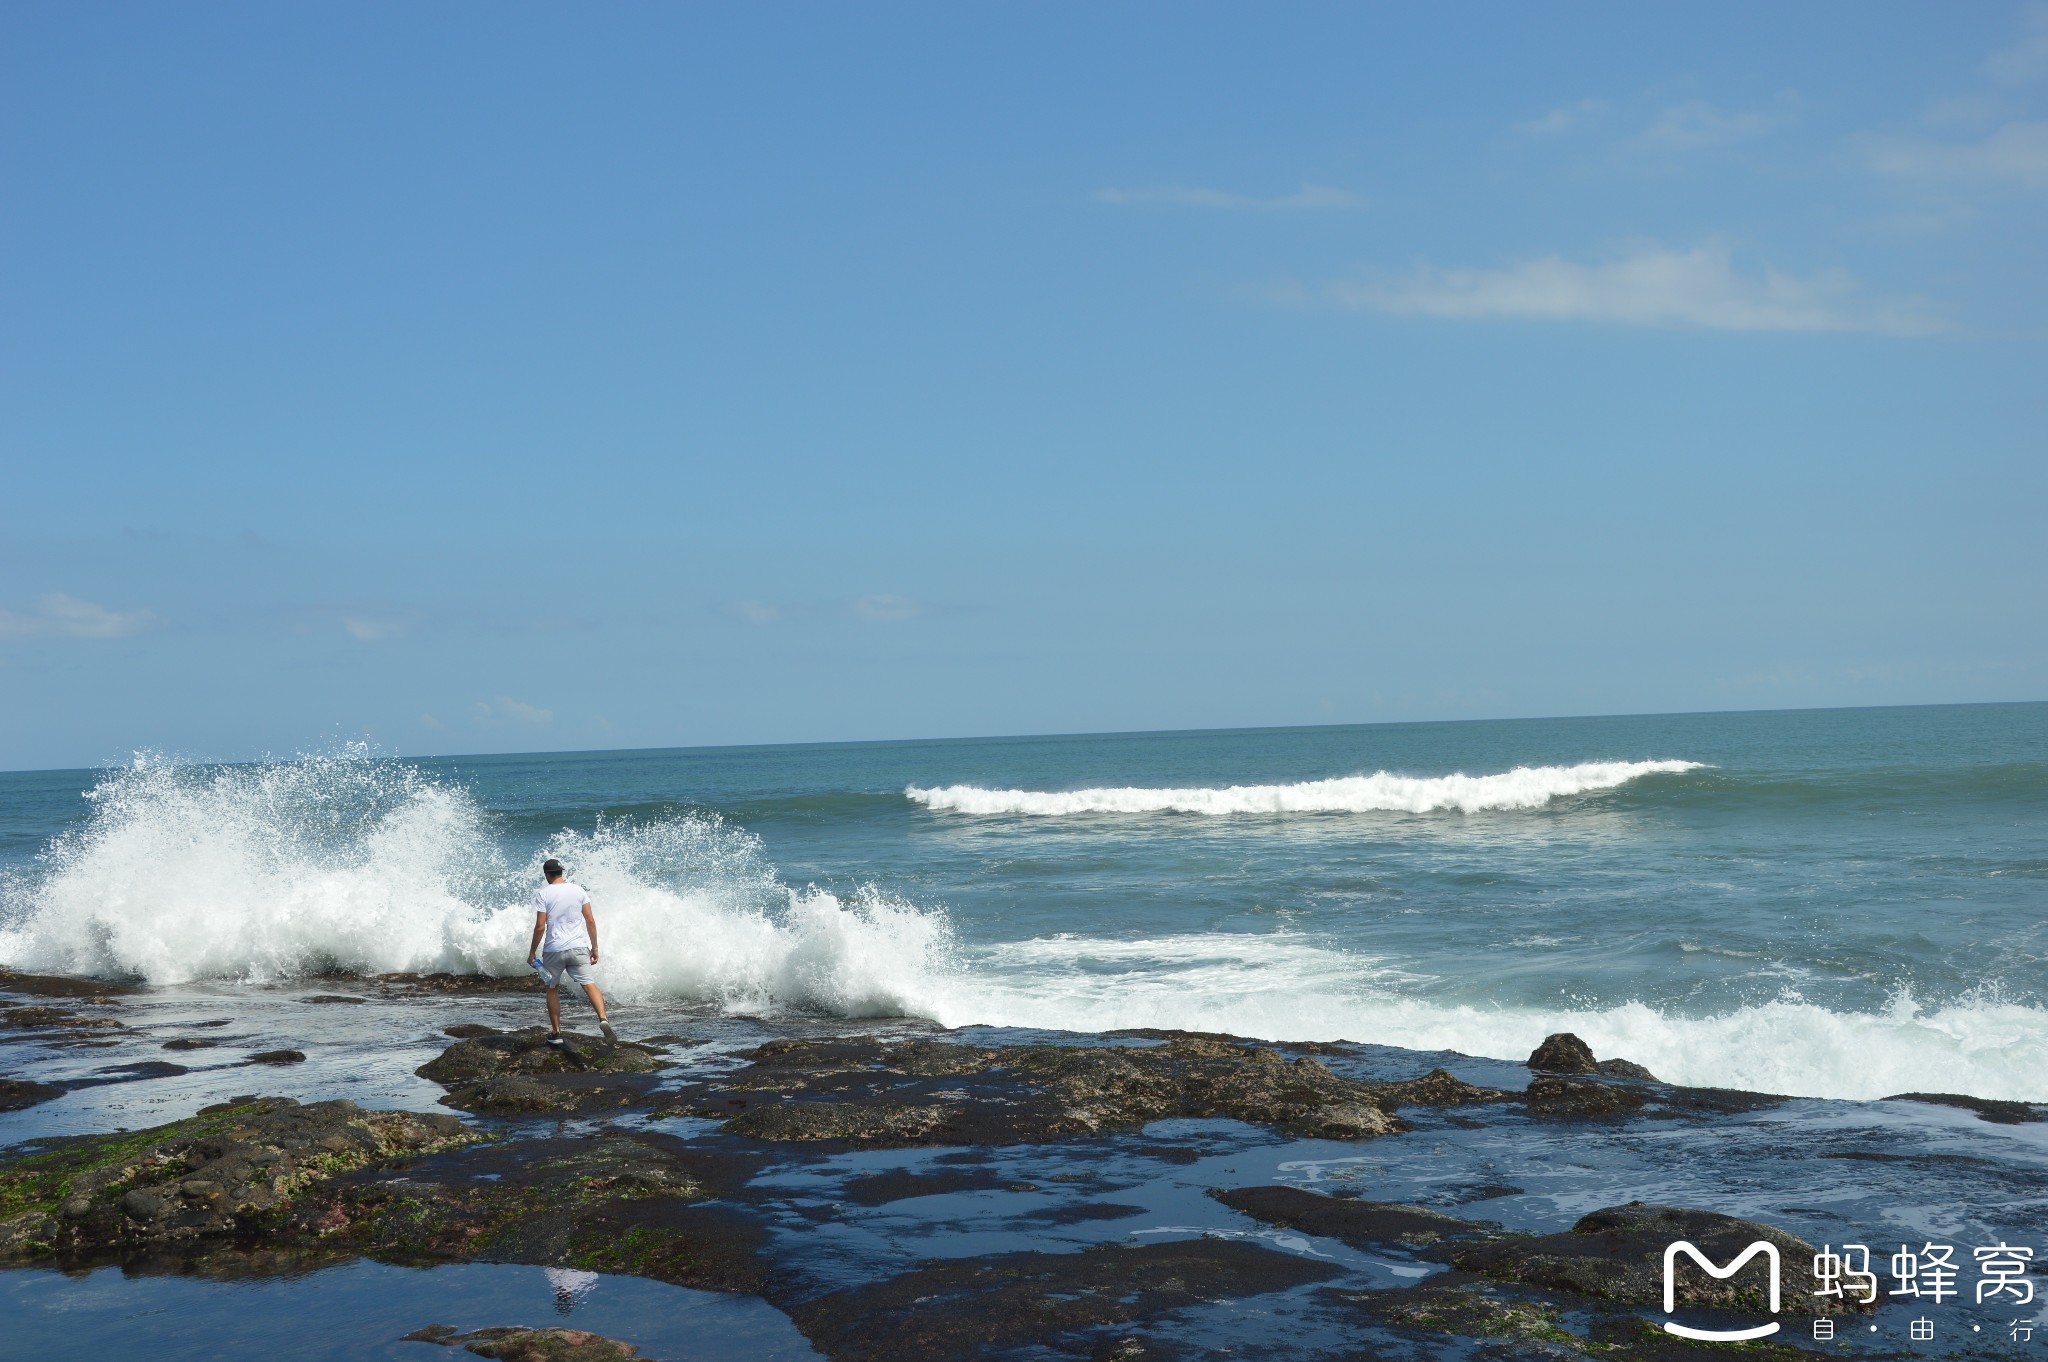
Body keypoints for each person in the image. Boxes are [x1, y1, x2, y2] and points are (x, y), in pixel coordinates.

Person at [525, 858, 617, 1045]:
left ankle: (557, 1033)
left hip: (554, 950)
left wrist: (532, 952)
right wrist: (595, 948)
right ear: (561, 872)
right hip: (578, 947)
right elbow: (590, 920)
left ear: (547, 875)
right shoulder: (578, 890)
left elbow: (540, 927)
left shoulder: (544, 894)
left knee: (552, 989)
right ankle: (603, 1019)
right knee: (590, 985)